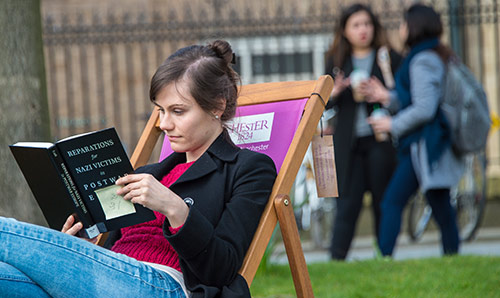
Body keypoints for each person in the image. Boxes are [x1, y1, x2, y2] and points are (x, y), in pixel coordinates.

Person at [0, 40, 277, 297]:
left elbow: (221, 269)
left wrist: (175, 209)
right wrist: (82, 246)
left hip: (166, 285)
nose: (164, 124)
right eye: (160, 110)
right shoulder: (149, 172)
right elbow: (114, 252)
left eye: (178, 111)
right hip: (114, 276)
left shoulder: (248, 169)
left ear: (217, 105)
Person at [367, 4, 463, 257]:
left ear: (413, 27)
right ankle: (452, 255)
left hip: (425, 144)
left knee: (392, 201)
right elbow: (415, 97)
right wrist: (387, 96)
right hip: (430, 144)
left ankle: (384, 258)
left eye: (403, 24)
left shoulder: (422, 60)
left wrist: (392, 124)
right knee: (440, 204)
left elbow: (424, 108)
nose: (400, 29)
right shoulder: (435, 54)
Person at [324, 3, 401, 260]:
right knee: (347, 204)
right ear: (345, 31)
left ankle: (384, 256)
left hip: (380, 140)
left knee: (383, 201)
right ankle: (337, 259)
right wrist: (333, 93)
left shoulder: (389, 57)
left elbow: (403, 96)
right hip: (348, 144)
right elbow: (321, 105)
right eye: (356, 25)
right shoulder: (335, 61)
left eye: (367, 24)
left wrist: (383, 94)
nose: (363, 30)